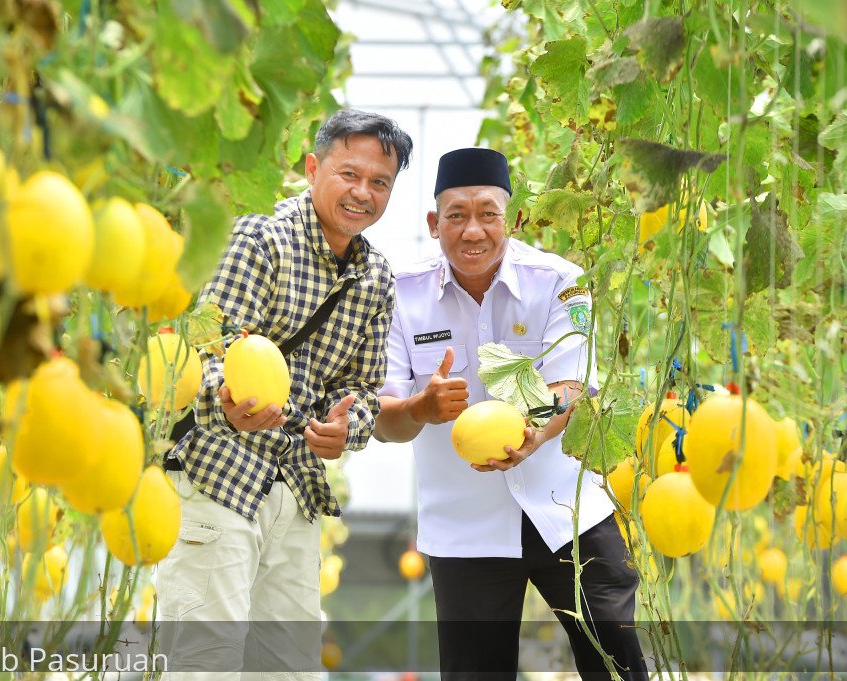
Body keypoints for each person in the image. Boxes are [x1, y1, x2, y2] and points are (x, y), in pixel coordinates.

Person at [374, 147, 647, 681]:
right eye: (456, 215)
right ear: (434, 224)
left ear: (514, 219)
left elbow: (572, 383)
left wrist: (534, 431)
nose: (472, 230)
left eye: (487, 214)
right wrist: (421, 408)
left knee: (618, 663)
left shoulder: (562, 282)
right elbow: (383, 418)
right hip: (463, 527)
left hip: (566, 511)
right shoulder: (398, 296)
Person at [157, 109, 413, 678]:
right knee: (202, 664)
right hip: (218, 476)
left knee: (290, 667)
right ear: (314, 166)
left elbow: (363, 387)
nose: (362, 193)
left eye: (380, 183)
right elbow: (206, 350)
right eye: (349, 174)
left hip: (294, 487)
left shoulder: (376, 278)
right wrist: (225, 402)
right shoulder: (261, 241)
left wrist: (349, 426)